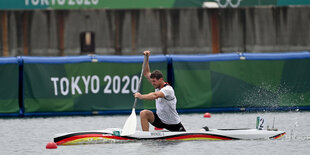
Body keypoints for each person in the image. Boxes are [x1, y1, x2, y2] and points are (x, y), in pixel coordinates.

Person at [134, 50, 186, 132]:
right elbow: (146, 72)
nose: (152, 83)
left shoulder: (168, 90)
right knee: (143, 113)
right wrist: (146, 58)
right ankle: (146, 136)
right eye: (152, 81)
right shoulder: (157, 84)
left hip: (173, 123)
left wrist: (141, 96)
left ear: (161, 79)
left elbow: (155, 95)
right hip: (160, 120)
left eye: (154, 81)